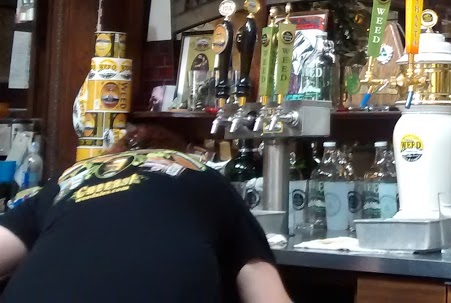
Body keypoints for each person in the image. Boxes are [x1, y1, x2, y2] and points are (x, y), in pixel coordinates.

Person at [0, 125, 291, 303]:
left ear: (110, 157)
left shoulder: (69, 179)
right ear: (180, 154)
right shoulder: (199, 173)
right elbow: (265, 291)